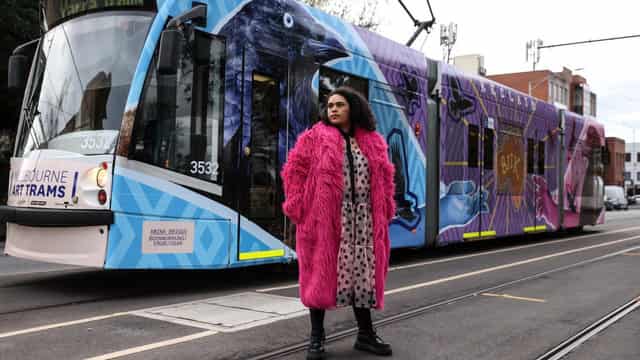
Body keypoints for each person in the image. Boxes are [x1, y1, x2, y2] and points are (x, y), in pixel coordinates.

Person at [281, 87, 396, 359]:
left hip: (363, 221)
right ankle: (316, 338)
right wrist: (298, 206)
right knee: (319, 276)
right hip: (324, 220)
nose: (332, 109)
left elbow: (385, 178)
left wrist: (386, 208)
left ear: (352, 108)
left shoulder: (374, 142)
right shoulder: (314, 138)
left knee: (362, 276)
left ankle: (366, 335)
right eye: (330, 105)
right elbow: (294, 172)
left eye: (339, 105)